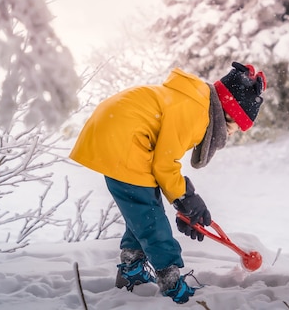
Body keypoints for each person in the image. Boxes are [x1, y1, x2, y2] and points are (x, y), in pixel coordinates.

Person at [69, 62, 266, 303]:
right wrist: (186, 198)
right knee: (151, 217)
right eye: (236, 127)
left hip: (116, 132)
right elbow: (164, 165)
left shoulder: (195, 101)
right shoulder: (195, 113)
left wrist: (184, 202)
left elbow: (163, 162)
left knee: (142, 210)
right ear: (227, 113)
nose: (232, 134)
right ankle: (171, 282)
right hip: (124, 139)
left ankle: (132, 267)